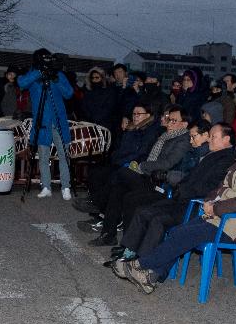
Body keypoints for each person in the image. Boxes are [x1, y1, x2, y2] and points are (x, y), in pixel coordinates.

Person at [122, 126, 236, 293]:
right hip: (218, 218)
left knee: (184, 234)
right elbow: (220, 188)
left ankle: (139, 265)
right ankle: (150, 277)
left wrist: (217, 208)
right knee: (178, 231)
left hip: (235, 227)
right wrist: (209, 201)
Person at [81, 104, 190, 244]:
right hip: (149, 176)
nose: (169, 123)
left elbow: (167, 164)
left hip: (159, 184)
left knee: (122, 173)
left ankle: (98, 202)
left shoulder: (182, 141)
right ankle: (109, 234)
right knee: (118, 190)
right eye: (169, 120)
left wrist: (142, 166)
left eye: (174, 121)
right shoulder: (166, 137)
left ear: (184, 124)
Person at [18, 48, 75, 200]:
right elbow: (21, 83)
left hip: (58, 121)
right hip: (42, 122)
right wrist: (39, 72)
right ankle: (46, 186)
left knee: (64, 155)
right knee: (43, 156)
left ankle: (66, 187)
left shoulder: (58, 74)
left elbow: (69, 93)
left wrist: (55, 79)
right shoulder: (33, 74)